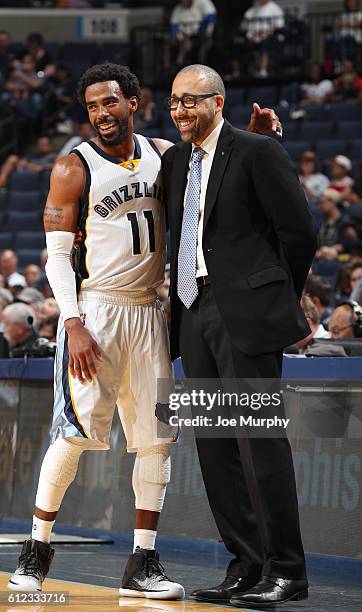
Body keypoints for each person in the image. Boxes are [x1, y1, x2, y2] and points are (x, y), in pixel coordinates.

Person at [8, 61, 282, 598]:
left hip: (150, 313)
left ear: (133, 102)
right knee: (76, 434)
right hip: (95, 310)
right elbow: (58, 258)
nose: (102, 114)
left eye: (110, 102)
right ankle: (37, 550)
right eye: (92, 107)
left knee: (157, 440)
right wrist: (72, 321)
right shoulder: (72, 167)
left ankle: (143, 562)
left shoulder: (164, 154)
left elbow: (213, 173)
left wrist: (253, 142)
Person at [162, 63, 316, 607]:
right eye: (175, 101)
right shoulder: (175, 161)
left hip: (245, 315)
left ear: (218, 101)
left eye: (191, 100)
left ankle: (287, 570)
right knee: (216, 448)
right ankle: (246, 564)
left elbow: (299, 231)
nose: (180, 110)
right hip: (192, 312)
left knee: (259, 445)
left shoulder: (255, 151)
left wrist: (273, 295)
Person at [229, 0, 284, 79]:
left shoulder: (274, 8)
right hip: (251, 37)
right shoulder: (253, 9)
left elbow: (279, 26)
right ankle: (236, 73)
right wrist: (250, 34)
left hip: (269, 37)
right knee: (236, 44)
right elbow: (243, 26)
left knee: (264, 43)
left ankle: (263, 71)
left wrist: (263, 32)